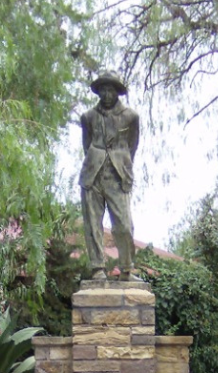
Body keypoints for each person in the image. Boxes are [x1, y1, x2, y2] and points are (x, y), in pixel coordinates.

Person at [79, 70, 140, 281]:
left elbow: (132, 146)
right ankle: (97, 268)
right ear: (98, 92)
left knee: (124, 224)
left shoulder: (131, 117)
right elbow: (87, 145)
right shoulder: (88, 117)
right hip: (92, 177)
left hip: (117, 175)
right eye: (103, 90)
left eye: (110, 90)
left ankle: (126, 268)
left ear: (117, 92)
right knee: (93, 224)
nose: (106, 94)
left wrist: (122, 166)